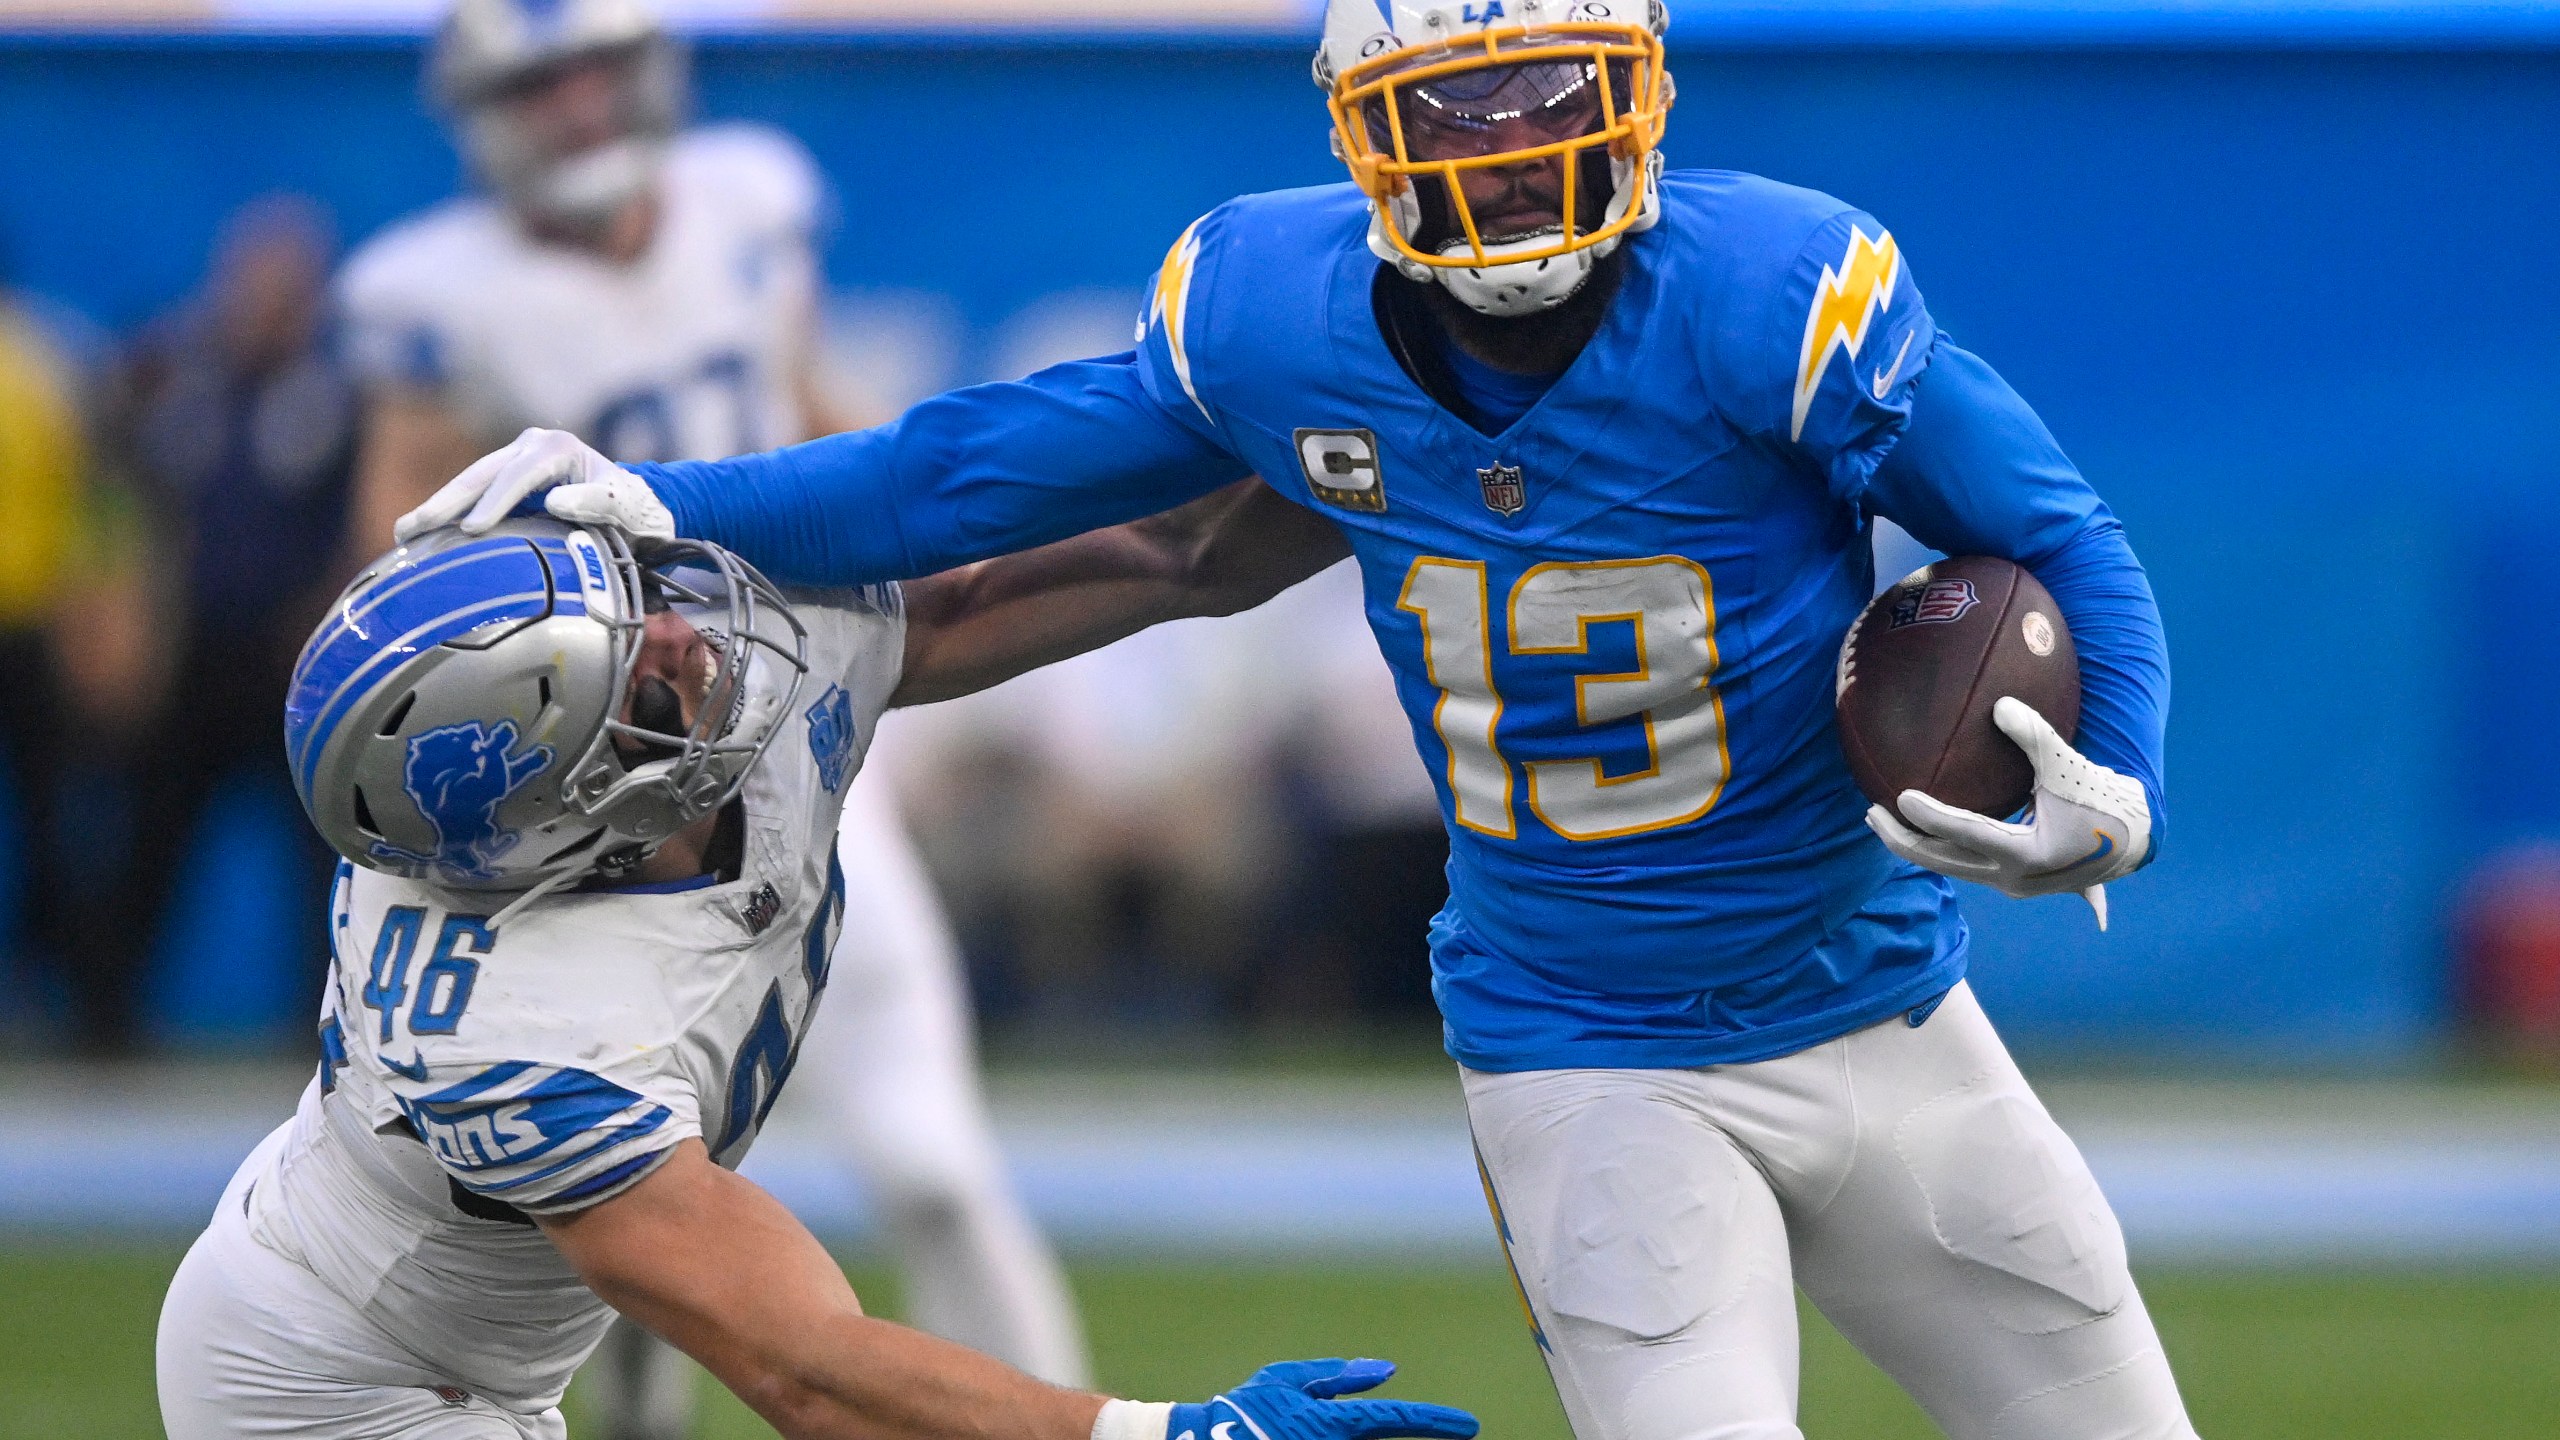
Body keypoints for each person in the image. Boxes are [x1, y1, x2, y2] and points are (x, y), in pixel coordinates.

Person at [407, 0, 2196, 1433]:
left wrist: (2120, 770)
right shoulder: (1277, 320)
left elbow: (2051, 529)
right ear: (1366, 135)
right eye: (1461, 120)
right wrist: (666, 499)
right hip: (1590, 1053)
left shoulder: (1766, 293)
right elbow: (961, 474)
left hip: (1883, 1004)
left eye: (1552, 98)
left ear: (1635, 91)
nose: (1514, 164)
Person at [157, 508, 1482, 1440]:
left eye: (642, 612)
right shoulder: (515, 1040)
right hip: (338, 1387)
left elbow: (1144, 554)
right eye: (632, 676)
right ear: (561, 812)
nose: (687, 643)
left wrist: (1361, 468)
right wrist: (1165, 1432)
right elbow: (812, 1372)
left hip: (461, 1337)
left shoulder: (657, 717)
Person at [337, 0, 1088, 1425]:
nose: (576, 113)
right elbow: (400, 565)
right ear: (489, 113)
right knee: (637, 1189)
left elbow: (826, 427)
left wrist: (940, 595)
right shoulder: (434, 297)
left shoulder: (746, 201)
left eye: (599, 74)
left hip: (801, 737)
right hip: (611, 795)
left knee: (933, 1162)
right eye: (543, 87)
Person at [113, 194, 358, 1034]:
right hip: (199, 649)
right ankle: (103, 1018)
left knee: (324, 858)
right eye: (249, 284)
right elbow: (140, 503)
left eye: (283, 288)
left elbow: (364, 517)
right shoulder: (180, 385)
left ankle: (323, 1023)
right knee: (153, 837)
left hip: (300, 655)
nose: (261, 304)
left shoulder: (339, 394)